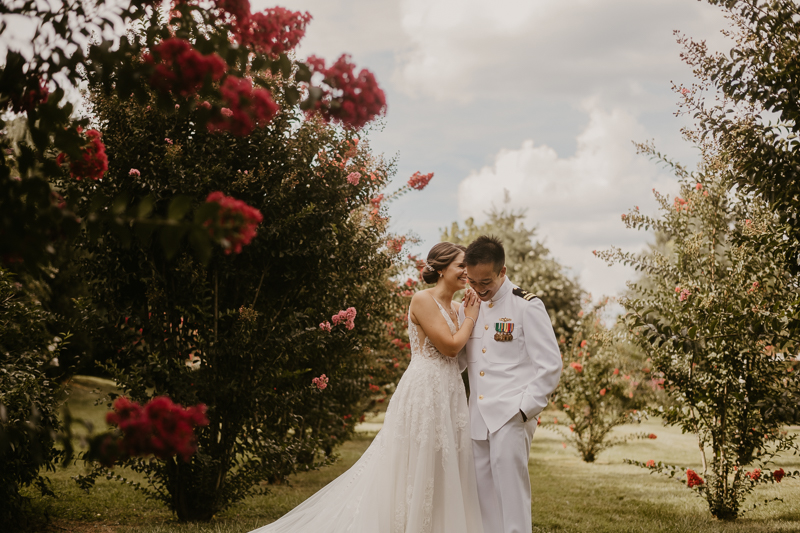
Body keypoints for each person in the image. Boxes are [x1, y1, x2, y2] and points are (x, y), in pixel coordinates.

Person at [250, 242, 484, 533]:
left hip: (450, 390)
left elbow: (462, 357)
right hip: (426, 390)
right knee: (416, 459)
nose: (467, 271)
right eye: (462, 265)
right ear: (440, 268)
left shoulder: (459, 307)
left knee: (443, 459)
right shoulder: (423, 300)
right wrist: (472, 318)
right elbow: (450, 347)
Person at [458, 235, 562, 533]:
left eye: (486, 282)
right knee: (484, 499)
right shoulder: (472, 306)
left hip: (510, 415)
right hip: (478, 418)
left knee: (511, 499)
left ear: (502, 272)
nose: (479, 289)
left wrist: (524, 410)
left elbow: (550, 364)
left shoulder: (526, 306)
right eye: (473, 282)